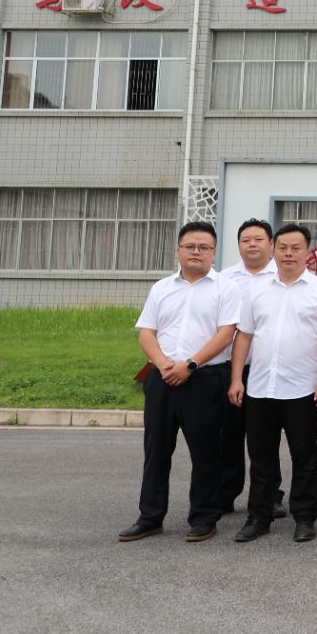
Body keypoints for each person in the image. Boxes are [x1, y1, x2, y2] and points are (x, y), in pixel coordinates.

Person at [118, 222, 240, 543]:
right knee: (156, 451)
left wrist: (190, 364)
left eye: (204, 247)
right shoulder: (162, 288)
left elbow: (226, 334)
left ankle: (204, 517)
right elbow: (146, 333)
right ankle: (150, 517)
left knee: (206, 452)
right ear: (178, 250)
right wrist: (162, 364)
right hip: (162, 378)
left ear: (213, 252)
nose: (196, 252)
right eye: (190, 246)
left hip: (205, 379)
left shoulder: (226, 288)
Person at [228, 223, 317, 544]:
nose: (289, 254)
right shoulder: (256, 290)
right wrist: (236, 378)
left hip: (303, 388)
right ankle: (258, 517)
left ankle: (304, 518)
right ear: (274, 249)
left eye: (296, 248)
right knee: (261, 458)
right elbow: (244, 336)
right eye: (283, 248)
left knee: (304, 458)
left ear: (307, 252)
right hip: (260, 387)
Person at [218, 219, 280, 519]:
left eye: (258, 239)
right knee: (229, 435)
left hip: (270, 370)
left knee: (267, 438)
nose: (252, 244)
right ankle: (226, 494)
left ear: (271, 244)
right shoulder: (225, 279)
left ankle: (271, 496)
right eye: (245, 240)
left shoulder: (283, 276)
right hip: (234, 369)